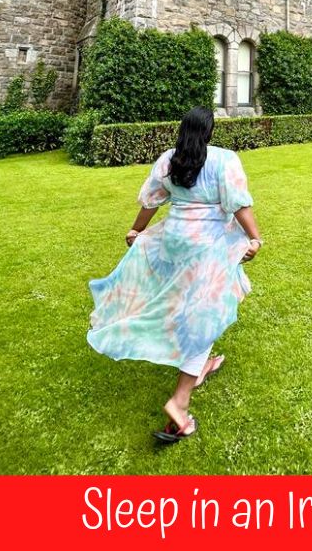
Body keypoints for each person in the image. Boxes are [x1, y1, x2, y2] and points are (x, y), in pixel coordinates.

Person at [87, 106, 263, 444]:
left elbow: (151, 201)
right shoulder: (224, 160)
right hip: (208, 245)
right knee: (207, 312)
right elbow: (239, 203)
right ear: (209, 132)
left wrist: (135, 230)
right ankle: (179, 404)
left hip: (174, 241)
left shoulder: (169, 159)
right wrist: (254, 237)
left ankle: (201, 365)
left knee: (190, 304)